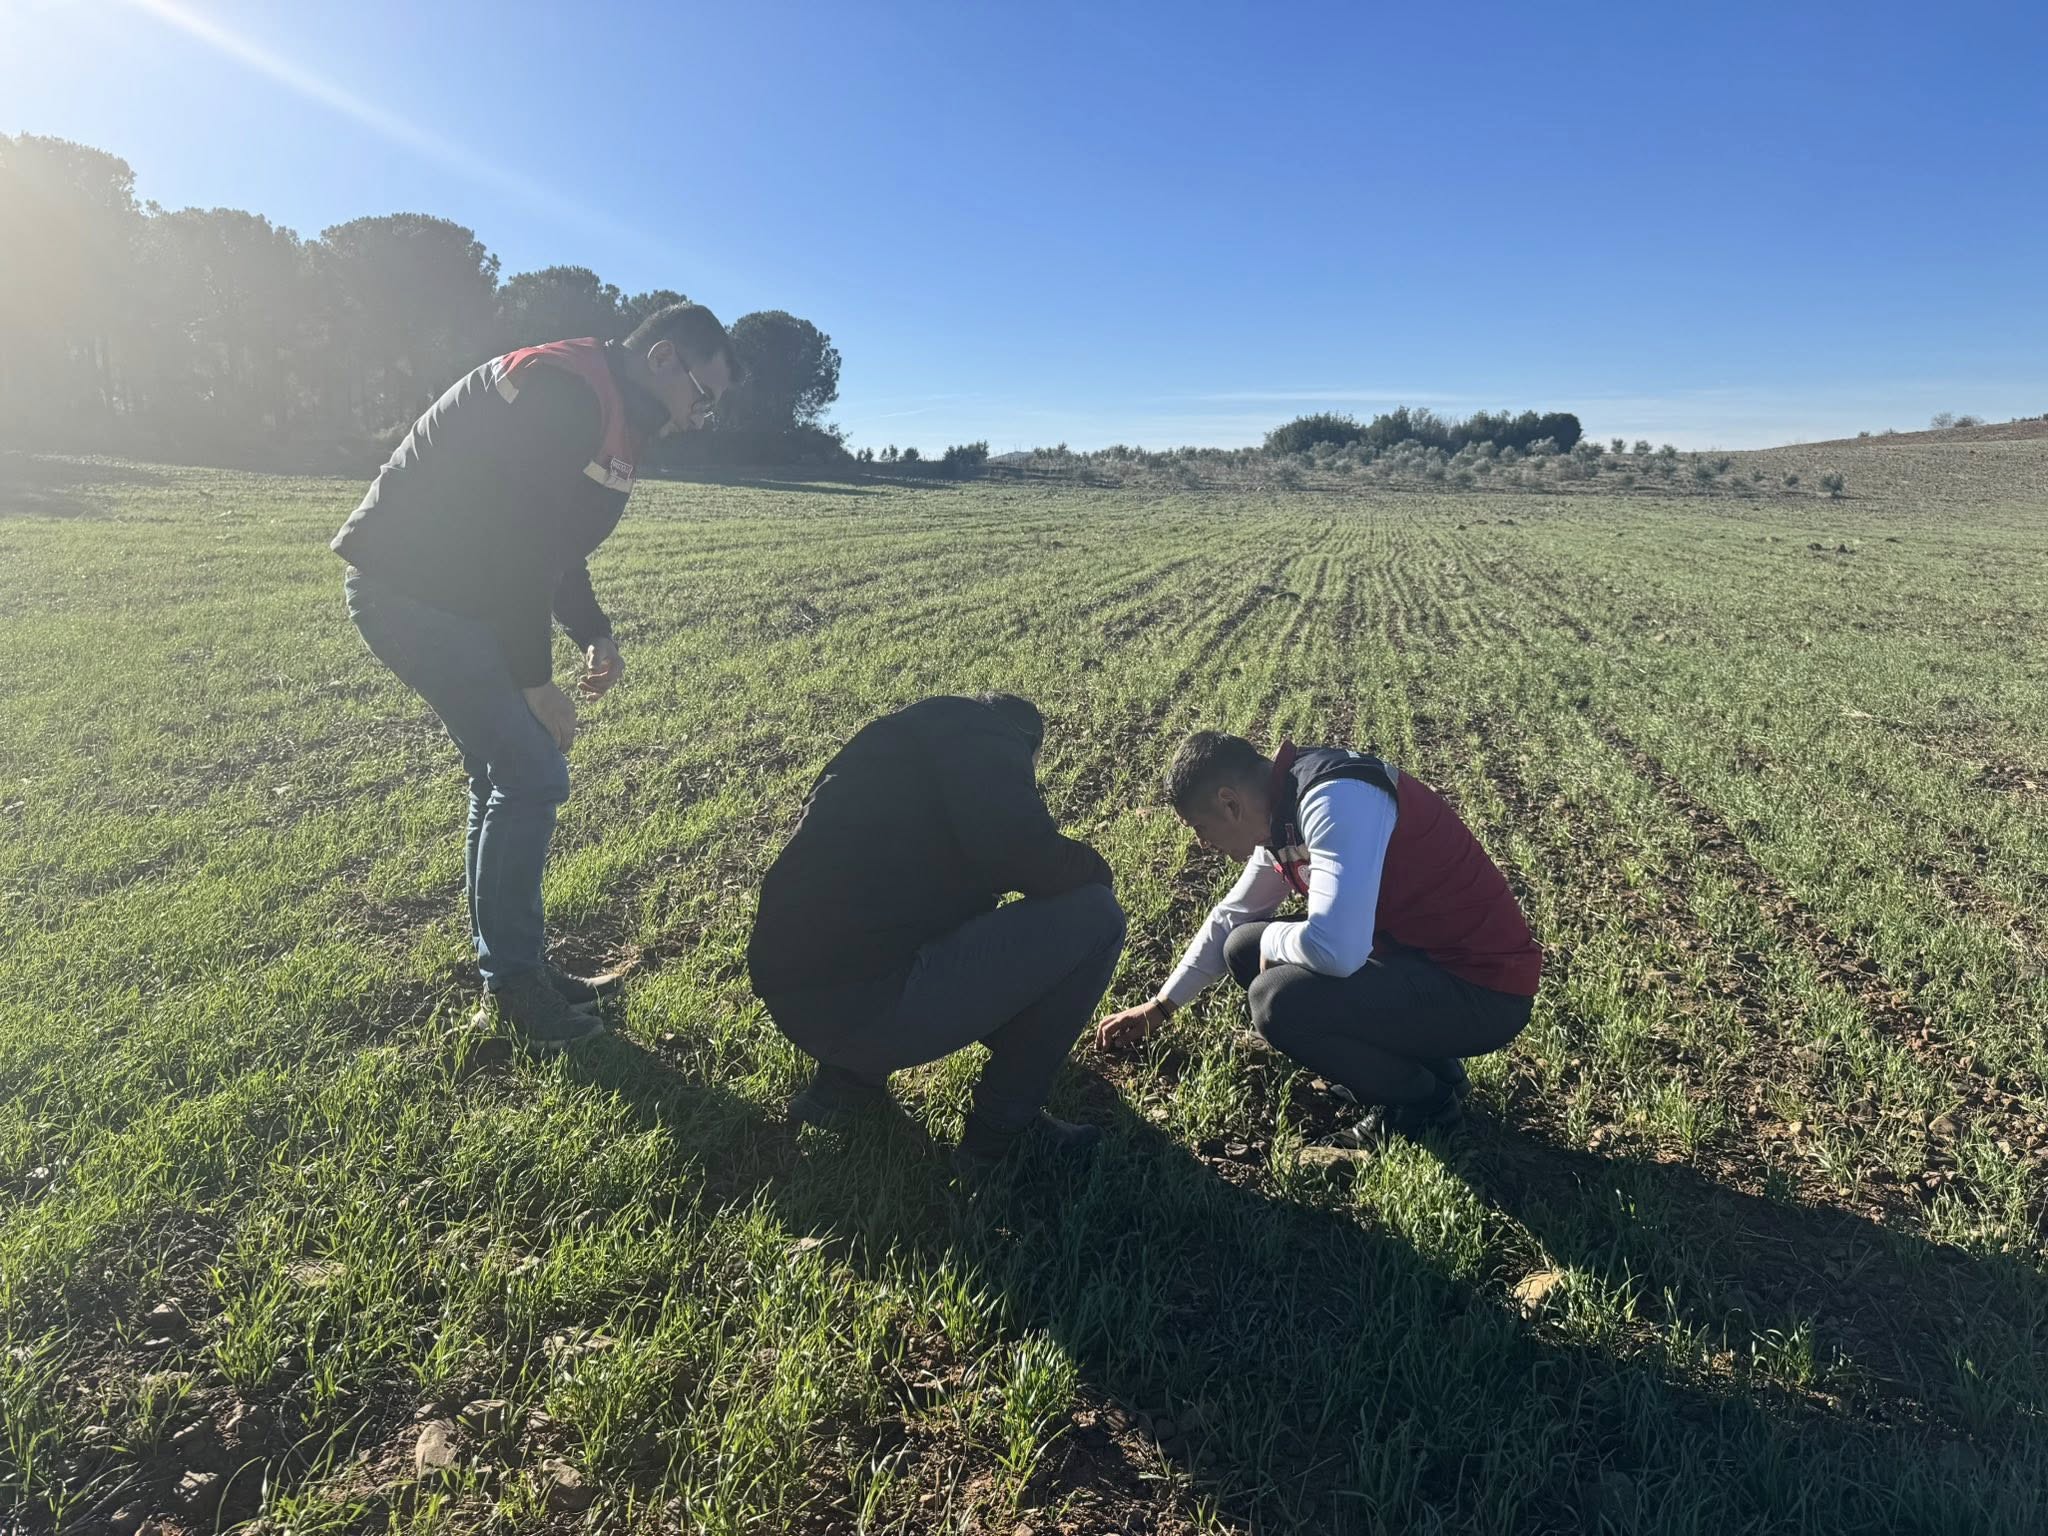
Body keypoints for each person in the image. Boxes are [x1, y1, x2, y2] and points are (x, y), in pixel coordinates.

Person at [333, 303, 739, 1049]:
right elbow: (518, 543)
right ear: (663, 360)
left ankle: (515, 971)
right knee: (532, 770)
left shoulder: (609, 403)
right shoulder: (567, 393)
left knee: (502, 774)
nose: (700, 416)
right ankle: (514, 992)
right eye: (702, 396)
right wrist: (534, 679)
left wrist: (593, 629)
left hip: (456, 593)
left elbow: (553, 541)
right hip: (412, 592)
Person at [1097, 732, 1541, 1144]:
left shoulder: (1333, 800)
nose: (1202, 843)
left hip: (1484, 991)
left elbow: (1339, 951)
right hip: (1424, 965)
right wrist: (1161, 1006)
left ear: (1229, 803)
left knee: (1277, 1001)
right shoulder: (1282, 808)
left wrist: (1275, 943)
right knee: (1243, 946)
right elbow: (1233, 916)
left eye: (1199, 827)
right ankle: (1436, 1069)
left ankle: (1424, 1105)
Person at [748, 694, 1127, 1170]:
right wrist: (1097, 868)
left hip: (792, 995)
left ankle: (843, 1088)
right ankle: (1001, 1135)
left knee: (885, 919)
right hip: (864, 1009)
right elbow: (1024, 854)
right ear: (1027, 748)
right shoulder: (991, 743)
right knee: (1096, 916)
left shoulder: (901, 741)